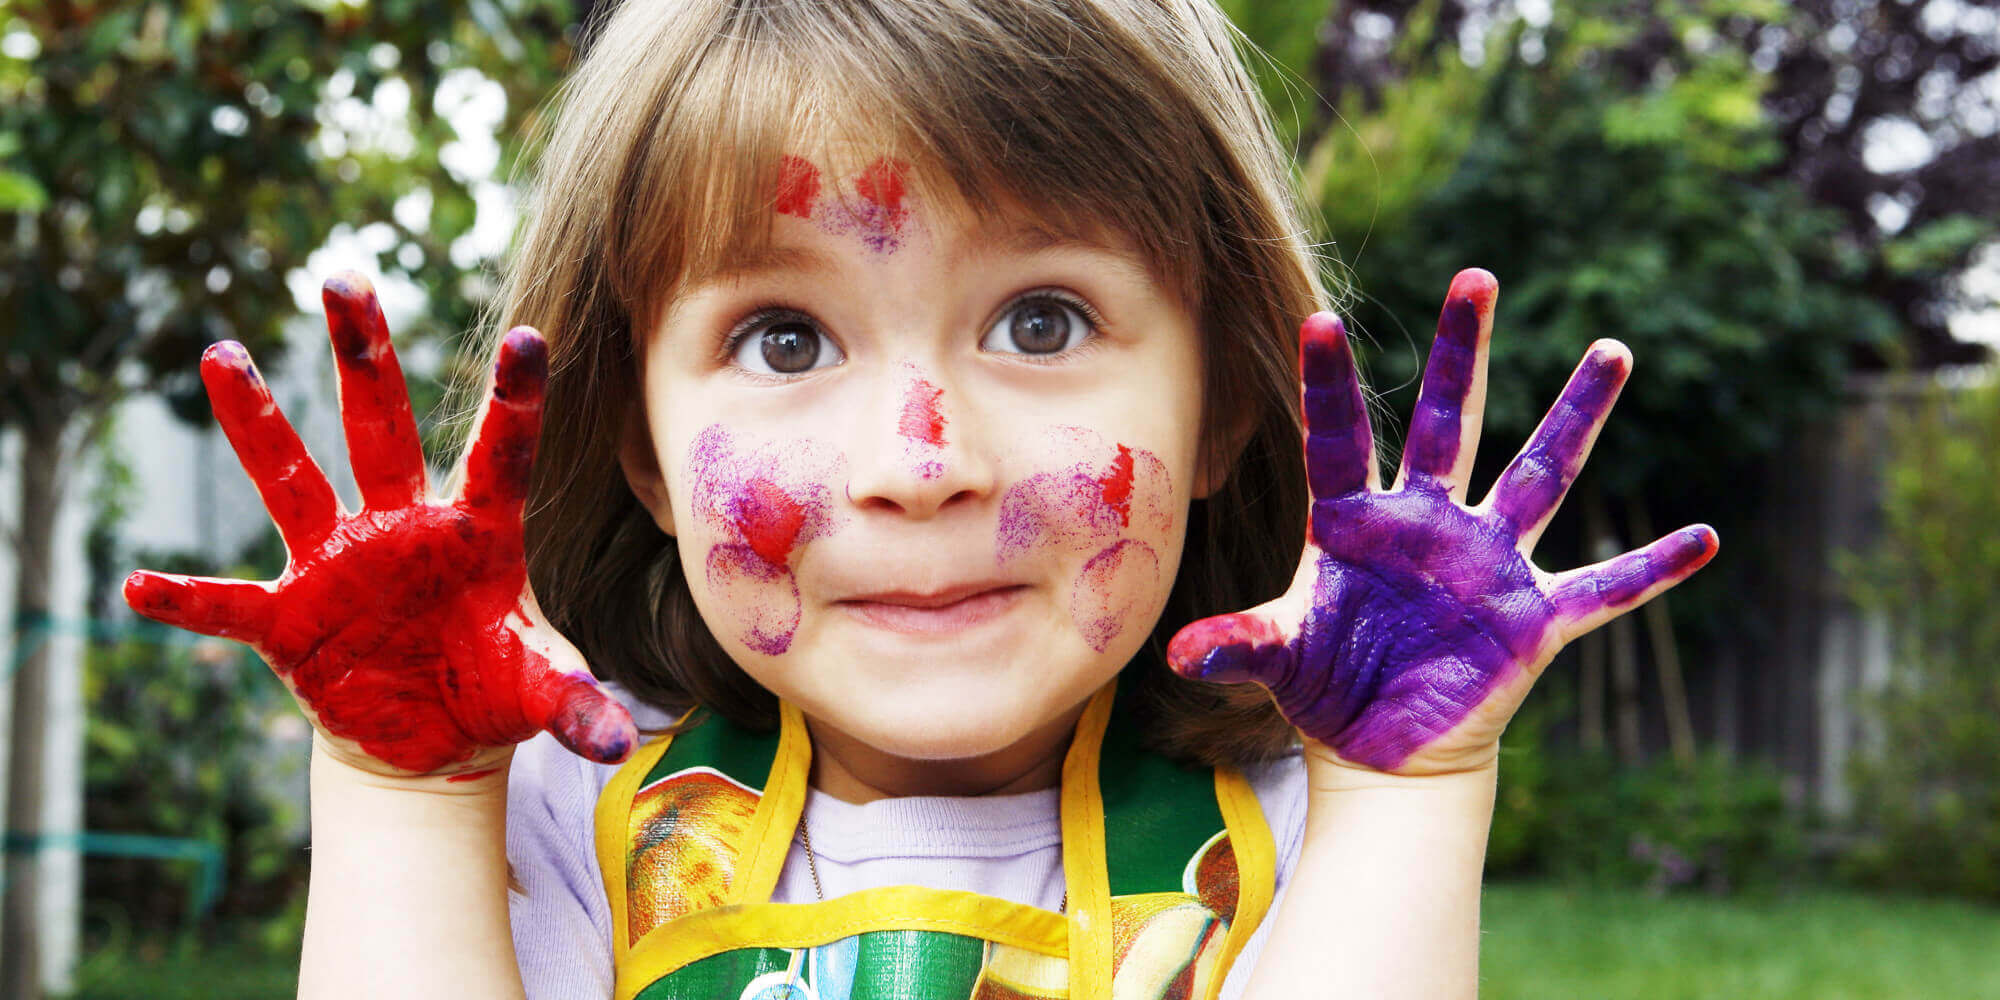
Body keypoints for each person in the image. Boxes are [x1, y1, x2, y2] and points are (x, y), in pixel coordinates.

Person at [121, 0, 1719, 997]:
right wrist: (400, 792)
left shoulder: (1299, 849)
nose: (919, 457)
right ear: (641, 451)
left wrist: (1412, 796)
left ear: (1228, 406)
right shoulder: (561, 831)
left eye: (1042, 320)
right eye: (785, 336)